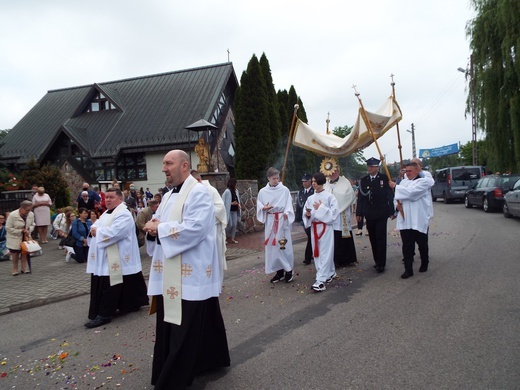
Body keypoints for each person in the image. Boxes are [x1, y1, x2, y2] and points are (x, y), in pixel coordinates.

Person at [143, 150, 230, 389]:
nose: (163, 168)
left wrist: (159, 228)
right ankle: (208, 360)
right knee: (179, 325)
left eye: (168, 163)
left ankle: (174, 380)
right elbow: (158, 221)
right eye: (162, 164)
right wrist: (155, 227)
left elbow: (195, 229)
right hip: (171, 272)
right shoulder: (169, 195)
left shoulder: (199, 192)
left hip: (190, 273)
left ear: (183, 166)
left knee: (184, 328)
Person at [85, 187, 149, 328]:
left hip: (119, 255)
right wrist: (95, 229)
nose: (107, 199)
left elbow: (116, 232)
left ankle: (105, 314)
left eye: (111, 197)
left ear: (120, 199)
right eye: (106, 197)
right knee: (124, 282)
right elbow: (95, 226)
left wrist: (97, 230)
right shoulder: (107, 213)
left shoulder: (124, 214)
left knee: (111, 285)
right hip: (107, 255)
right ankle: (132, 303)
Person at [389, 161, 434, 279]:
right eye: (406, 171)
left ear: (417, 170)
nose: (407, 173)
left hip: (418, 218)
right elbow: (397, 197)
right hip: (405, 219)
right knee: (407, 245)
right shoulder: (403, 182)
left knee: (422, 243)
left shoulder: (423, 182)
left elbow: (412, 194)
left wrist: (395, 187)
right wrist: (396, 206)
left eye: (410, 171)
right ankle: (408, 270)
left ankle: (425, 262)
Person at [356, 157, 395, 273]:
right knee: (373, 238)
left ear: (377, 168)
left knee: (381, 238)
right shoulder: (364, 180)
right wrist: (359, 213)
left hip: (381, 213)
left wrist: (391, 211)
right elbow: (361, 198)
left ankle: (382, 263)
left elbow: (389, 195)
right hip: (369, 214)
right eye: (368, 166)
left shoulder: (384, 178)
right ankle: (377, 261)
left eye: (372, 166)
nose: (369, 168)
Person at [257, 167, 295, 283]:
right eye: (274, 178)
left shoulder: (284, 190)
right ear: (268, 178)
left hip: (282, 221)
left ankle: (289, 270)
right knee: (272, 248)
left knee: (283, 246)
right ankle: (279, 272)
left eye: (277, 178)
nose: (276, 181)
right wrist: (264, 208)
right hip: (270, 221)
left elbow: (289, 205)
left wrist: (286, 214)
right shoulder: (263, 191)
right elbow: (259, 204)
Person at [191, 169, 228, 291]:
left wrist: (204, 214)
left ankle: (216, 287)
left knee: (214, 259)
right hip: (199, 232)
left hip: (212, 230)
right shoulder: (191, 191)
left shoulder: (211, 190)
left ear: (198, 180)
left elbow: (220, 208)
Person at [303, 172, 339, 292]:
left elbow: (334, 214)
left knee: (325, 252)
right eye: (312, 181)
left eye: (315, 181)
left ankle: (320, 280)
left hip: (325, 227)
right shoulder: (310, 198)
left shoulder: (329, 197)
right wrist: (308, 215)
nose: (313, 183)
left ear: (321, 182)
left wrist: (321, 208)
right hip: (314, 228)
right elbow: (307, 213)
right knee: (317, 253)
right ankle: (330, 272)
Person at [323, 161, 357, 267]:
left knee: (343, 236)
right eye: (330, 172)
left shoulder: (344, 181)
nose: (332, 174)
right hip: (330, 214)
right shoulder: (326, 183)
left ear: (338, 170)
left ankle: (347, 259)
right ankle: (334, 260)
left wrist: (338, 203)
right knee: (332, 237)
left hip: (341, 214)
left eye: (334, 171)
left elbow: (349, 196)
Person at [6, 200, 35, 275]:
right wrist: (20, 231)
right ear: (22, 208)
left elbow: (33, 224)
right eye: (27, 210)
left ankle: (24, 268)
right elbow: (8, 228)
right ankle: (15, 269)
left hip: (25, 237)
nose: (28, 212)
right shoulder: (13, 215)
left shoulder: (31, 214)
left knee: (24, 252)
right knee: (15, 253)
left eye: (30, 210)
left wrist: (29, 230)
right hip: (15, 237)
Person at [295, 174, 315, 265]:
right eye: (303, 181)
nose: (304, 183)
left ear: (310, 181)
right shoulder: (301, 192)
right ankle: (310, 255)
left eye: (306, 181)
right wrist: (297, 218)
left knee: (311, 236)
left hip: (311, 217)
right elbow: (298, 206)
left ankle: (308, 257)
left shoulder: (313, 191)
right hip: (303, 218)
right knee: (311, 236)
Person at [222, 178, 241, 244]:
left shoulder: (236, 191)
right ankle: (224, 238)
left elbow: (237, 199)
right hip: (229, 211)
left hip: (235, 210)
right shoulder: (227, 191)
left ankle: (232, 238)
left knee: (234, 225)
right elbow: (223, 201)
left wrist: (238, 204)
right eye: (235, 183)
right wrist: (231, 203)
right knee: (229, 224)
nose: (236, 184)